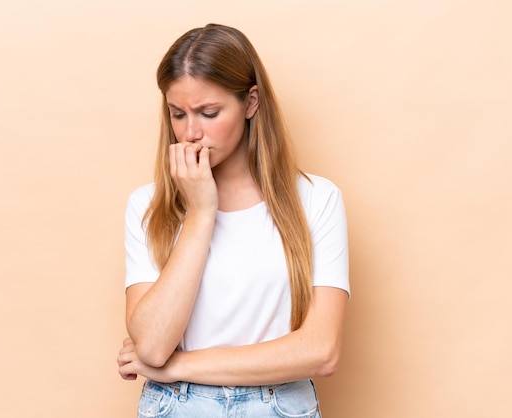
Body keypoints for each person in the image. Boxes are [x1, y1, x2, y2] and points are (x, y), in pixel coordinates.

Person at [117, 23, 350, 417]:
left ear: (251, 102)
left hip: (279, 407)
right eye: (177, 114)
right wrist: (200, 212)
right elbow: (152, 345)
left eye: (209, 113)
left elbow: (320, 351)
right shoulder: (147, 206)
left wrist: (174, 367)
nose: (190, 133)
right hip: (177, 407)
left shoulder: (317, 200)